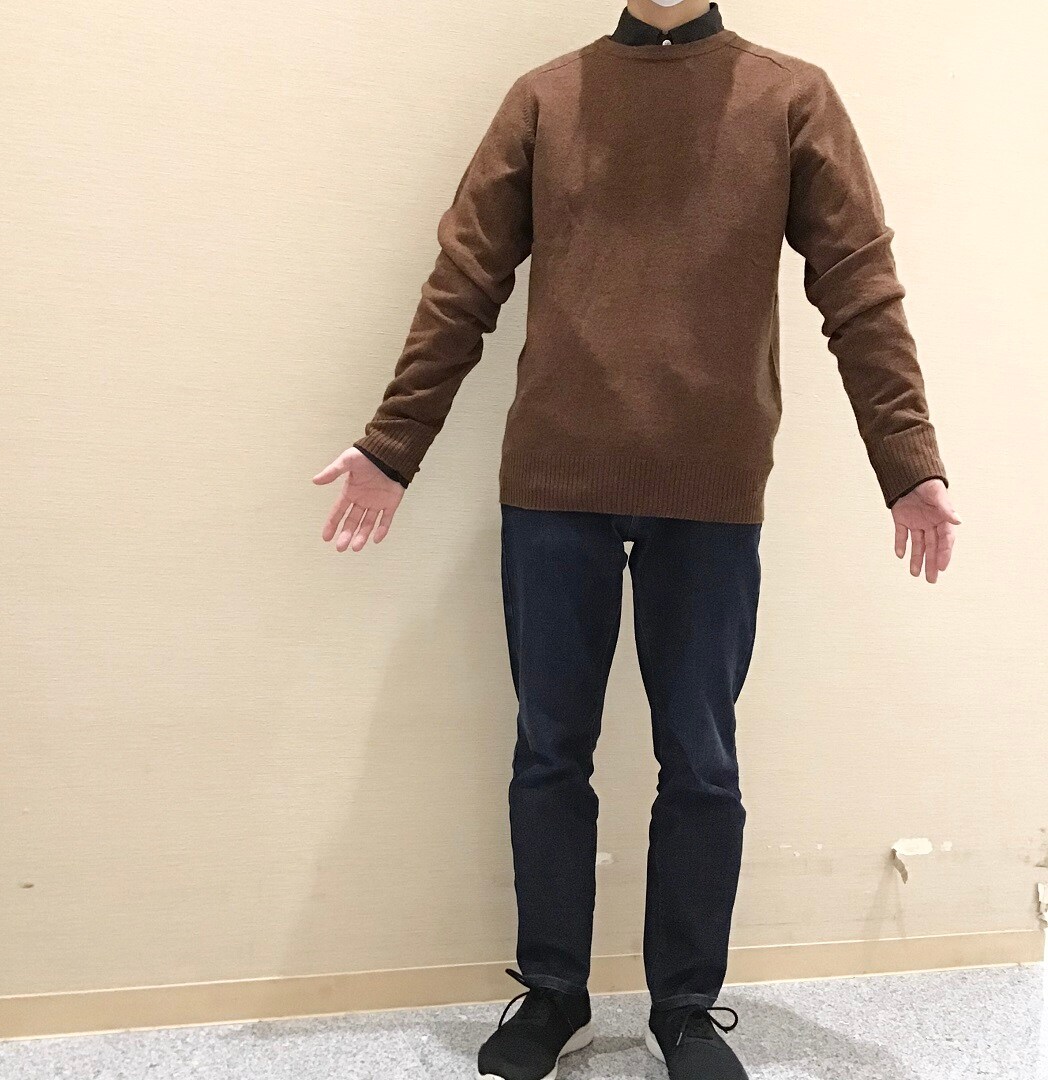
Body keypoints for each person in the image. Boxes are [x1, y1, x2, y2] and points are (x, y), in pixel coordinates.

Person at [312, 2, 962, 1077]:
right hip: (555, 479)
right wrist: (393, 444)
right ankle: (553, 993)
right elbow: (465, 280)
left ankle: (686, 1008)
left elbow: (859, 286)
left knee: (701, 759)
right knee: (548, 751)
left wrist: (909, 461)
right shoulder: (545, 97)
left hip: (710, 485)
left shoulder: (791, 98)